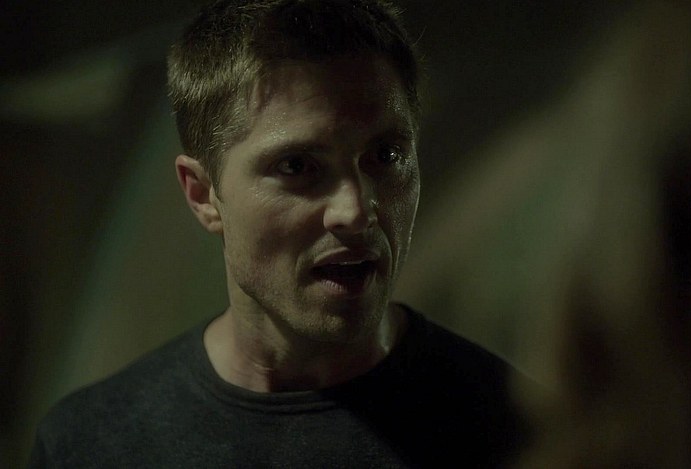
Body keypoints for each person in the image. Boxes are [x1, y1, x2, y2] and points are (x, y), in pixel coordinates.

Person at [28, 1, 529, 467]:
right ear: (202, 194)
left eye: (386, 156)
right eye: (297, 166)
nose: (355, 212)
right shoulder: (91, 443)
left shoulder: (523, 432)